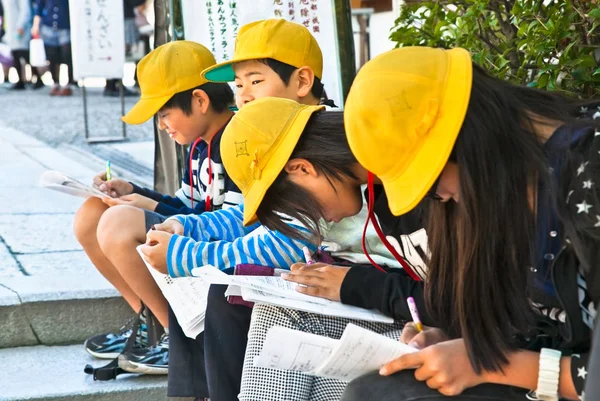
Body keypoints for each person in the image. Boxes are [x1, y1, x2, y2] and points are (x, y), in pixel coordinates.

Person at [219, 46, 599, 401]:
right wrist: (454, 338)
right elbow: (510, 315)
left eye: (426, 179)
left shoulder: (583, 178)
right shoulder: (505, 185)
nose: (436, 198)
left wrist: (488, 362)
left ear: (466, 139)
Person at [73, 40, 240, 376]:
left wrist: (146, 205)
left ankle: (182, 343)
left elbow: (230, 221)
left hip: (220, 251)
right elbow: (187, 203)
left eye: (165, 114)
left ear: (200, 100)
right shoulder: (198, 146)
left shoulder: (237, 140)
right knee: (92, 213)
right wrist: (134, 191)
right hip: (194, 235)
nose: (163, 125)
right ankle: (152, 321)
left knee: (117, 223)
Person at [31, 0, 72, 96]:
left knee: (67, 56)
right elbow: (39, 7)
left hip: (65, 25)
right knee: (51, 57)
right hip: (48, 26)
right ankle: (55, 83)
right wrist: (36, 25)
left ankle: (68, 85)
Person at [3, 0, 42, 90]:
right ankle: (20, 81)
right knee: (15, 55)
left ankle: (37, 78)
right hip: (10, 29)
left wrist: (21, 25)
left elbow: (25, 11)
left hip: (21, 29)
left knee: (25, 55)